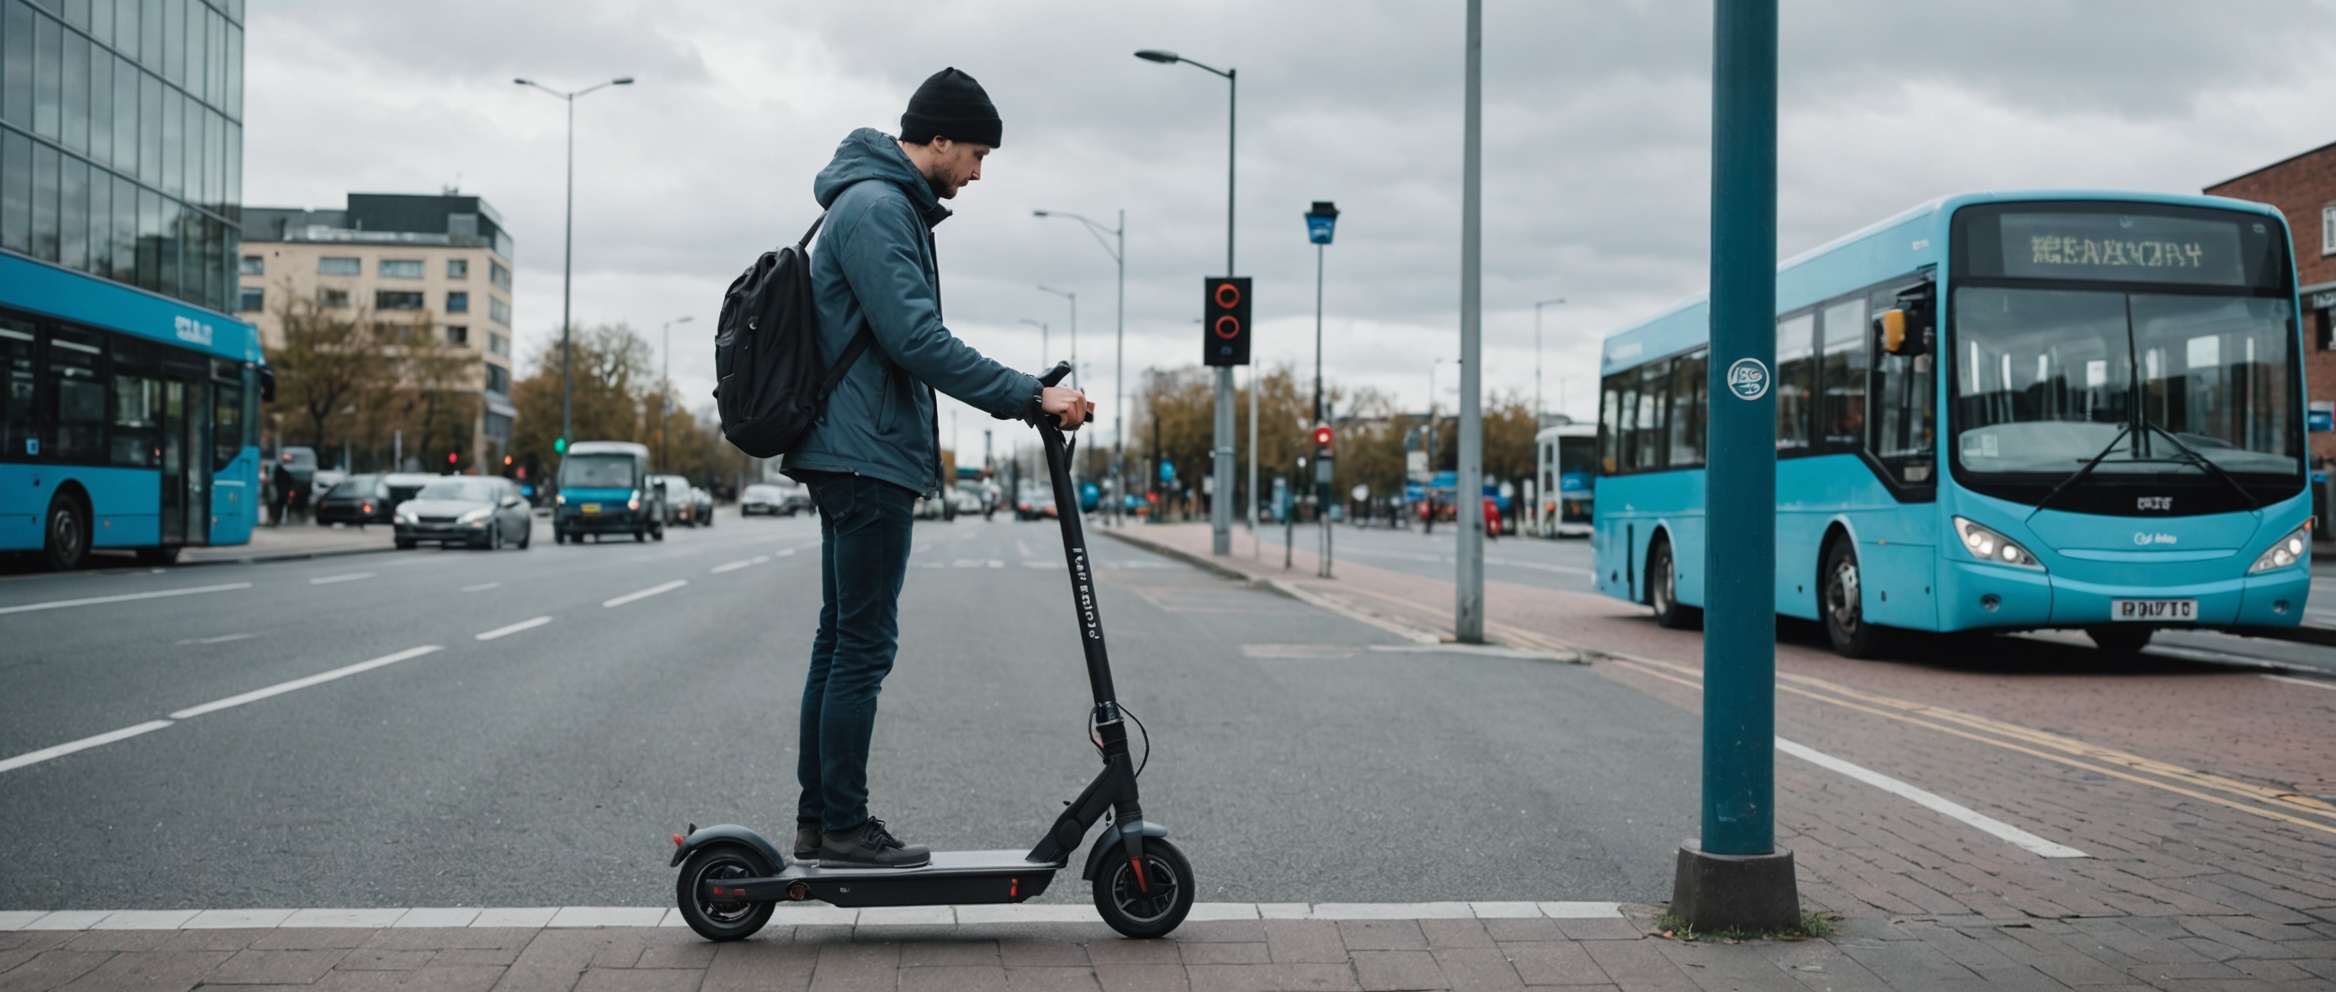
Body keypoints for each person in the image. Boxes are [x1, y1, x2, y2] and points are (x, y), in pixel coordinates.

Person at [781, 68, 1092, 870]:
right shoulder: (880, 208)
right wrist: (1030, 395)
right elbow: (916, 341)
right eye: (978, 154)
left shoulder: (873, 203)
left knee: (840, 640)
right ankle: (844, 826)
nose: (980, 173)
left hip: (852, 449)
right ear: (941, 139)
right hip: (865, 455)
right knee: (861, 647)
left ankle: (823, 822)